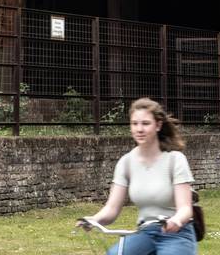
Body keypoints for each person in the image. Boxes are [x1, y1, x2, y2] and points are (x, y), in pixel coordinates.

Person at [79, 97, 198, 255]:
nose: (139, 129)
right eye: (135, 124)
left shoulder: (175, 159)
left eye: (145, 123)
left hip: (177, 234)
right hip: (146, 232)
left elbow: (185, 209)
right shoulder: (126, 163)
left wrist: (176, 220)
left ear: (158, 125)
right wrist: (94, 219)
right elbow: (111, 209)